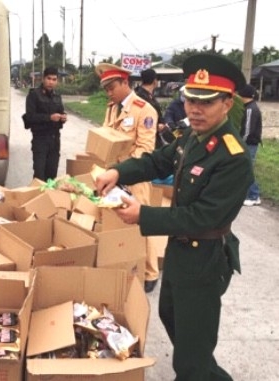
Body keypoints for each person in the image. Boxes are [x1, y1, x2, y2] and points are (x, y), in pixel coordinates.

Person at [94, 53, 253, 381]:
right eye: (191, 99)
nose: (195, 109)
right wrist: (117, 170)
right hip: (181, 253)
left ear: (227, 103)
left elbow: (202, 217)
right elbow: (155, 162)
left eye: (206, 102)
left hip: (205, 258)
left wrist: (142, 215)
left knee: (191, 360)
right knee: (172, 319)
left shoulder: (232, 156)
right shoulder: (193, 138)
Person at [95, 62, 160, 293]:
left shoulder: (145, 110)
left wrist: (124, 165)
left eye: (112, 87)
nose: (109, 92)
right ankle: (123, 263)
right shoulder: (112, 107)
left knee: (143, 223)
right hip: (113, 174)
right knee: (117, 220)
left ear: (125, 82)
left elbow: (146, 148)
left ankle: (151, 271)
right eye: (106, 89)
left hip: (136, 176)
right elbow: (106, 135)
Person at [24, 66, 67, 181]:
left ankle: (49, 198)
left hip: (54, 140)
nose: (51, 82)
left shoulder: (57, 97)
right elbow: (30, 117)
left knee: (52, 175)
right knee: (39, 176)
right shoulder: (34, 95)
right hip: (40, 140)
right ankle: (37, 198)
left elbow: (61, 112)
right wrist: (49, 117)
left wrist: (63, 117)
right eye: (49, 78)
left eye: (54, 79)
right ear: (43, 79)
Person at [135, 68, 175, 148]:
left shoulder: (148, 95)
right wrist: (156, 125)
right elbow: (138, 117)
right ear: (154, 81)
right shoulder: (140, 97)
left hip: (155, 135)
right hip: (146, 138)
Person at [238, 84, 263, 206]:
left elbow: (248, 130)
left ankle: (254, 195)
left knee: (247, 169)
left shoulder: (250, 109)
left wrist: (240, 144)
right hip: (249, 143)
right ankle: (248, 193)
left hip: (249, 144)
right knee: (244, 169)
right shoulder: (249, 107)